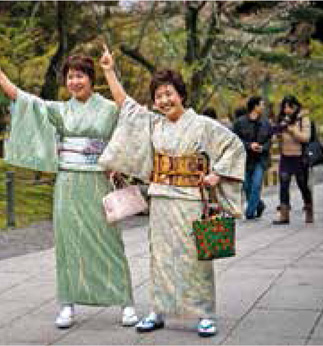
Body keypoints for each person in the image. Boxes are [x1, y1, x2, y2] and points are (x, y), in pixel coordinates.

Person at [0, 52, 138, 328]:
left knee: (109, 242)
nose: (75, 82)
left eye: (80, 76)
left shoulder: (109, 108)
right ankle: (67, 303)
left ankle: (125, 301)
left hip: (97, 181)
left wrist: (116, 161)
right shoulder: (61, 110)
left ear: (91, 79)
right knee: (68, 244)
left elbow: (127, 120)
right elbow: (25, 101)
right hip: (67, 182)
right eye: (70, 77)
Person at [98, 45, 245, 337]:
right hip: (162, 198)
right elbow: (126, 105)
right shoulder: (154, 125)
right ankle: (158, 310)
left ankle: (203, 313)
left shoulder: (203, 125)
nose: (164, 100)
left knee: (194, 258)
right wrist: (108, 71)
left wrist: (218, 173)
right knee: (160, 256)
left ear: (181, 95)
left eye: (169, 94)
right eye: (158, 96)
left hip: (192, 198)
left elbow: (234, 146)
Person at [272, 95, 313, 224]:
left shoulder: (303, 119)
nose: (286, 109)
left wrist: (292, 131)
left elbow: (306, 138)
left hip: (300, 157)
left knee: (302, 185)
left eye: (289, 106)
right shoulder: (283, 119)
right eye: (284, 107)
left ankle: (309, 209)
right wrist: (278, 131)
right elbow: (275, 135)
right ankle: (284, 216)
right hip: (285, 156)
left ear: (295, 106)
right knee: (284, 185)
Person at [233, 96, 272, 220]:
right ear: (255, 106)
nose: (263, 107)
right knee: (247, 187)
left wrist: (263, 147)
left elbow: (269, 140)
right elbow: (235, 140)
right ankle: (259, 205)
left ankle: (249, 213)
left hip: (260, 159)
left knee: (256, 185)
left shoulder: (266, 123)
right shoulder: (239, 122)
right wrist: (249, 145)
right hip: (245, 160)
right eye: (262, 104)